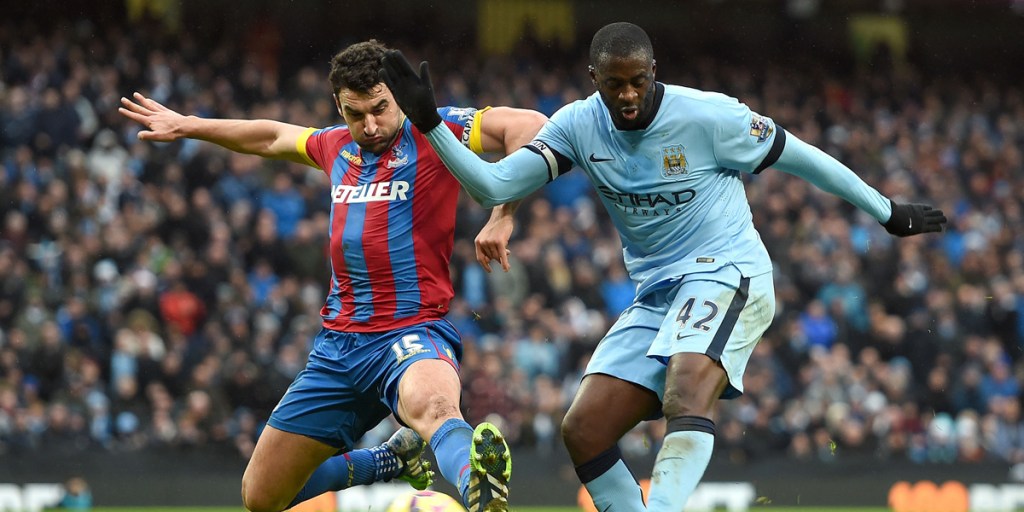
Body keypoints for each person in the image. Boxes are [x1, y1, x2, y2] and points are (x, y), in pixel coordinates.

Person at [380, 22, 947, 512]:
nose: (628, 94)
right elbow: (493, 186)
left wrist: (887, 210)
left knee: (685, 387)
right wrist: (429, 121)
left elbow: (804, 158)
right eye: (614, 83)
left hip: (727, 272)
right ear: (593, 78)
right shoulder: (579, 126)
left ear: (654, 72)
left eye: (638, 80)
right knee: (583, 429)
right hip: (655, 294)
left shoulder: (708, 117)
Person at [119, 39, 546, 512]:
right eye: (354, 113)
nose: (370, 125)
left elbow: (530, 126)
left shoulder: (435, 127)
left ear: (399, 96)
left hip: (411, 331)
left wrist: (504, 213)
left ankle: (477, 489)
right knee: (261, 497)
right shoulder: (335, 145)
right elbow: (271, 137)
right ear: (338, 106)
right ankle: (386, 462)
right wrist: (188, 125)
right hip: (338, 348)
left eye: (381, 108)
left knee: (436, 407)